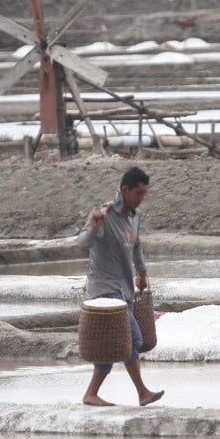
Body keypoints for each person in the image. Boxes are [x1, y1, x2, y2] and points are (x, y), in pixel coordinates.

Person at [77, 166, 164, 407]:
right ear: (124, 190)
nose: (141, 198)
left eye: (145, 193)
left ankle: (91, 394)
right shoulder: (103, 214)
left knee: (113, 344)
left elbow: (136, 246)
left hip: (124, 288)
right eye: (138, 193)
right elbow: (83, 242)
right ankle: (142, 392)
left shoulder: (134, 217)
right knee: (131, 338)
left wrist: (142, 272)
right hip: (104, 289)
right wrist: (94, 227)